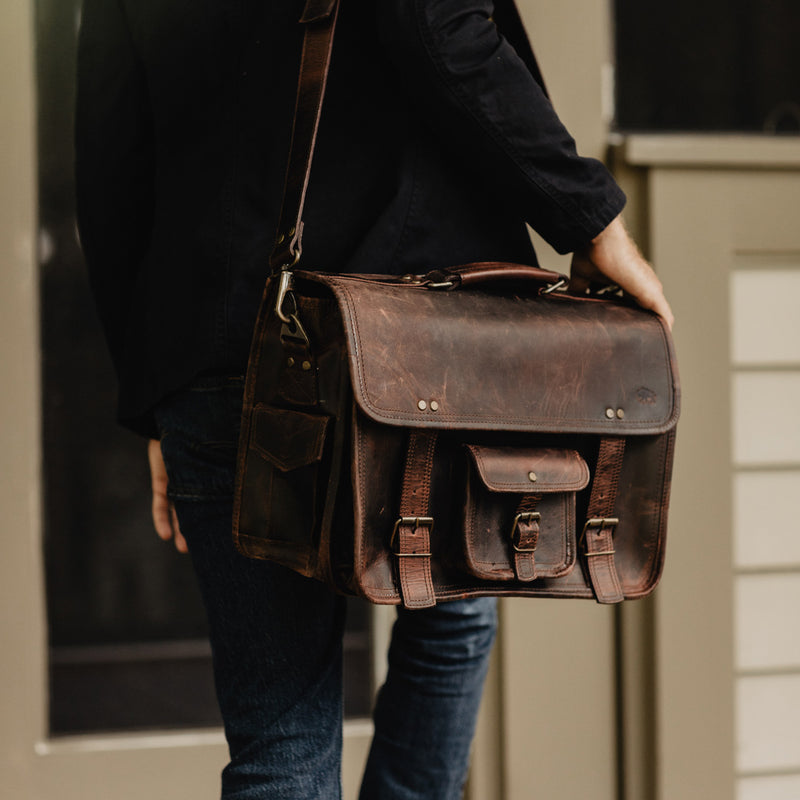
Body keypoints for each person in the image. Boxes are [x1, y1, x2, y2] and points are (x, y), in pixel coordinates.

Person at [75, 0, 673, 797]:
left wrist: (155, 396)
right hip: (419, 332)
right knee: (453, 620)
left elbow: (111, 154)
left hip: (215, 341)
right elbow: (439, 25)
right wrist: (593, 220)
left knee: (281, 734)